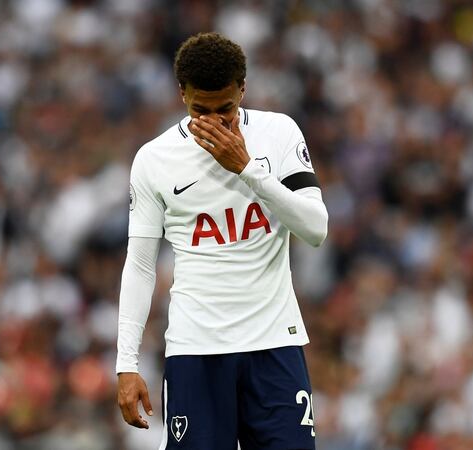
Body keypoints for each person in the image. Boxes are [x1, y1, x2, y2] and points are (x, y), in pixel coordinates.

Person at [115, 32, 328, 449]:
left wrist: (247, 169)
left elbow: (315, 228)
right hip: (197, 349)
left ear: (243, 89)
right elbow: (139, 264)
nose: (214, 121)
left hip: (274, 343)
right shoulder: (154, 160)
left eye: (226, 109)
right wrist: (126, 362)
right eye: (201, 110)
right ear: (182, 95)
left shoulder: (278, 133)